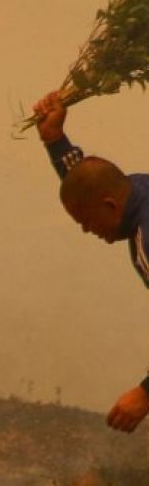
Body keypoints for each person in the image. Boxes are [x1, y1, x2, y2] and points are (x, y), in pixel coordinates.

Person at [34, 91, 149, 435]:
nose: (87, 231)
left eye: (86, 221)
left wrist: (145, 393)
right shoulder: (137, 187)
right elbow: (87, 184)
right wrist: (55, 140)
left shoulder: (148, 242)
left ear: (111, 206)